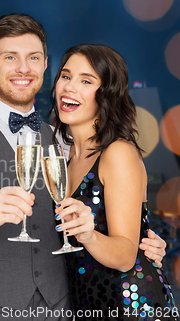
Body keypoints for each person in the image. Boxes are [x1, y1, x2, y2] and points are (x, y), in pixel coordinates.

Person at [0, 13, 167, 321]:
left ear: (45, 64)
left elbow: (107, 207)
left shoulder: (63, 141)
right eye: (10, 57)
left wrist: (143, 243)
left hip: (64, 309)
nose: (23, 68)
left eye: (33, 57)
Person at [52, 44, 176, 320]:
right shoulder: (65, 156)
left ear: (106, 94)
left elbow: (124, 255)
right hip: (86, 304)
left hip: (131, 304)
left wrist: (88, 235)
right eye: (65, 76)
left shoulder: (117, 153)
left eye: (86, 80)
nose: (69, 87)